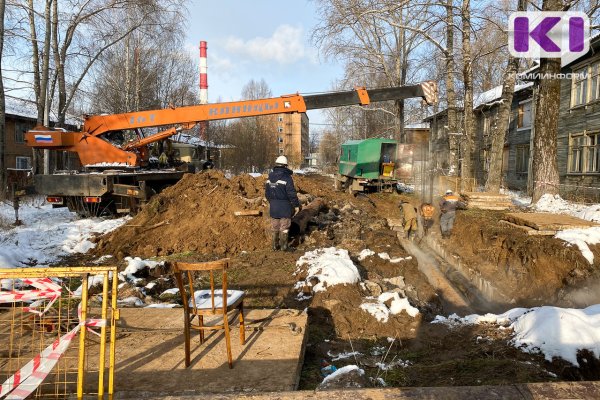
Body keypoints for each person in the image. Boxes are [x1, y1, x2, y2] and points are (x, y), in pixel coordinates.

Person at [265, 155, 301, 251]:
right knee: (284, 226)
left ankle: (274, 246)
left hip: (273, 206)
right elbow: (291, 193)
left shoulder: (270, 176)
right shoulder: (287, 178)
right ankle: (284, 247)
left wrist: (272, 202)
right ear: (285, 165)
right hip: (285, 206)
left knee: (275, 226)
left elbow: (267, 193)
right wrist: (296, 205)